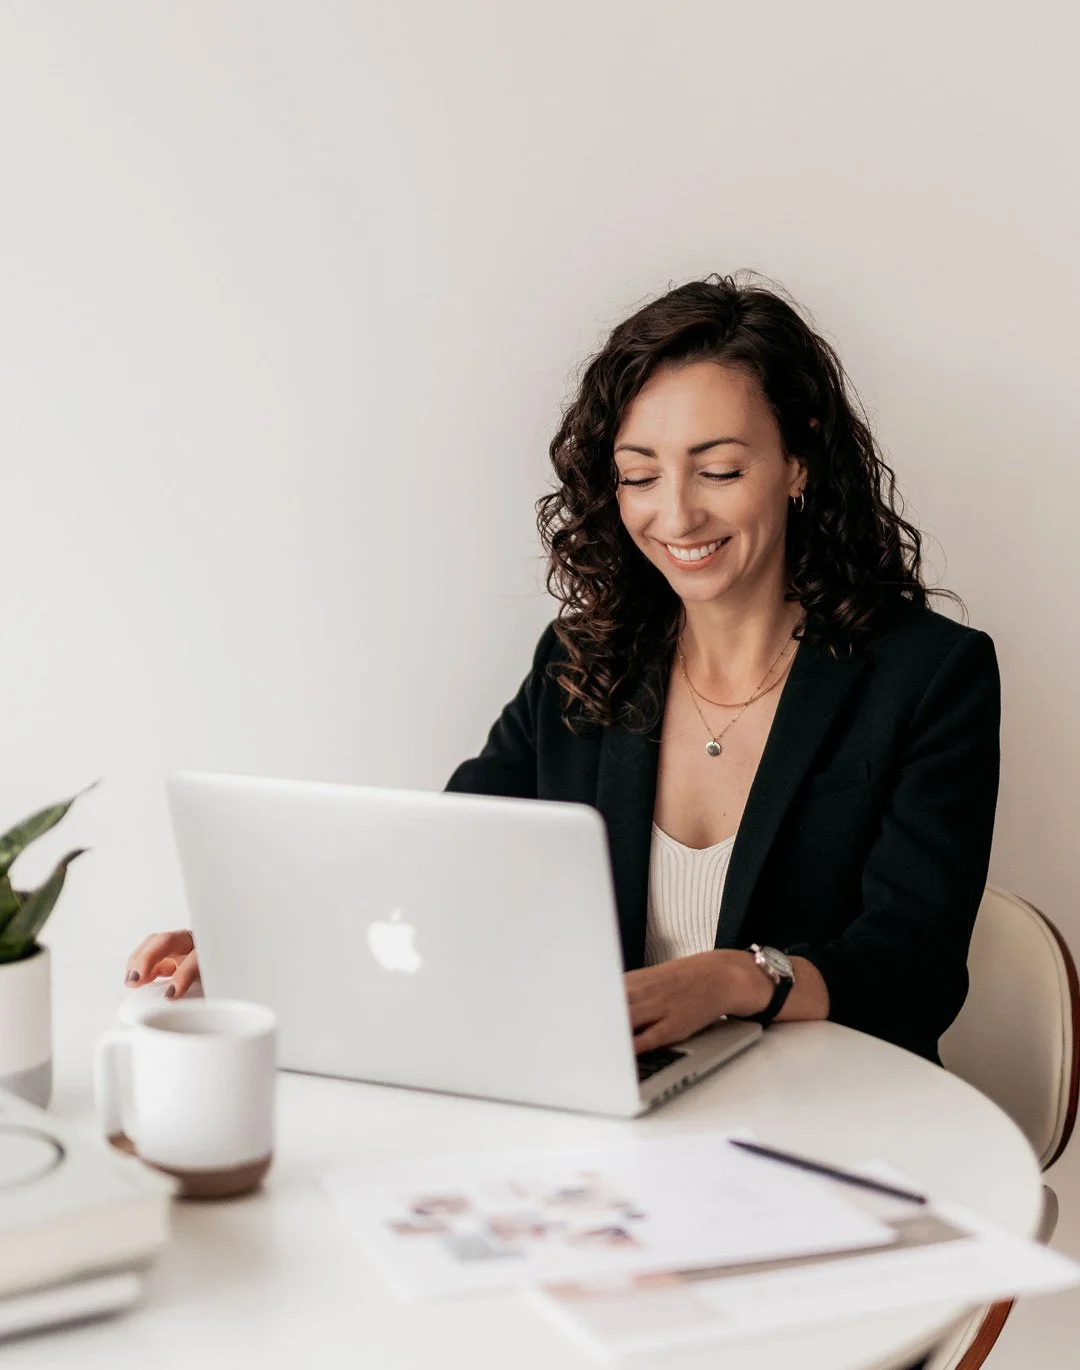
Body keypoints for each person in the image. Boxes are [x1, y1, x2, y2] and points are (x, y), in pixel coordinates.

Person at [125, 270, 1000, 1069]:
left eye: (720, 468)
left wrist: (735, 979)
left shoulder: (929, 677)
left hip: (842, 1117)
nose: (677, 513)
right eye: (639, 475)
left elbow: (913, 971)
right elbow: (447, 856)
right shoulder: (584, 661)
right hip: (624, 1113)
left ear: (797, 463)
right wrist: (269, 936)